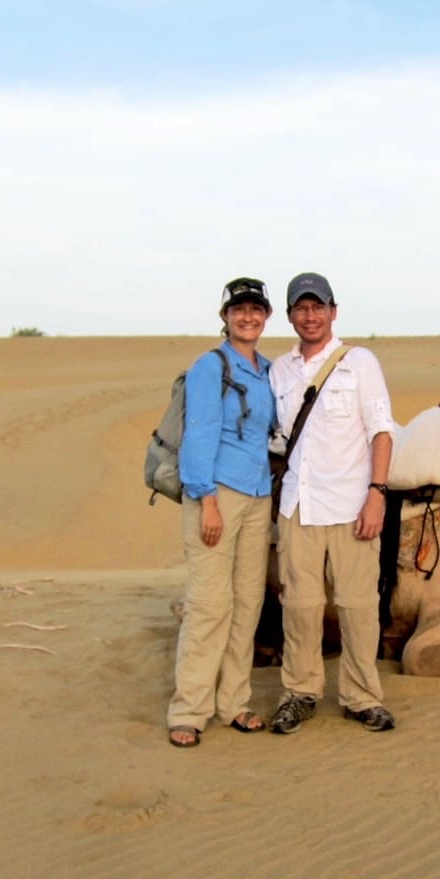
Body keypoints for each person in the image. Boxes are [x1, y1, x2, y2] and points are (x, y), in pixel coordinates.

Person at [268, 272, 397, 734]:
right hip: (297, 506)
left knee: (359, 607)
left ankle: (362, 697)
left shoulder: (359, 363)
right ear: (290, 316)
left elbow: (381, 432)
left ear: (333, 311)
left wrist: (376, 495)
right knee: (299, 606)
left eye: (317, 306)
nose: (310, 315)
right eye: (301, 308)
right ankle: (299, 692)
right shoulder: (279, 370)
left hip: (351, 505)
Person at [166, 277, 277, 748]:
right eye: (239, 310)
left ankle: (234, 702)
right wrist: (205, 499)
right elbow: (199, 434)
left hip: (258, 496)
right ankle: (189, 709)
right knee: (210, 605)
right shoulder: (210, 367)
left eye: (255, 309)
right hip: (217, 495)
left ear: (266, 316)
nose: (247, 317)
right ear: (225, 316)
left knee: (248, 604)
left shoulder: (269, 370)